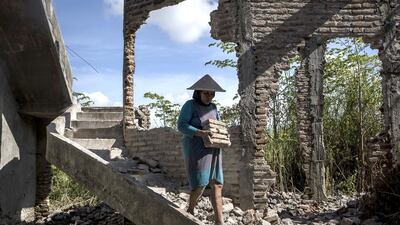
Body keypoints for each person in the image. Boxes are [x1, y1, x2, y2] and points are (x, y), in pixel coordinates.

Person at [177, 74, 225, 225]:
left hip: (213, 148)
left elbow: (216, 124)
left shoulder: (214, 107)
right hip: (196, 148)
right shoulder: (190, 105)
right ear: (198, 92)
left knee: (217, 183)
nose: (209, 96)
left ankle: (220, 221)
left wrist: (221, 133)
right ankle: (190, 210)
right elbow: (181, 125)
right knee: (200, 184)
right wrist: (200, 133)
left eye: (211, 93)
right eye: (205, 93)